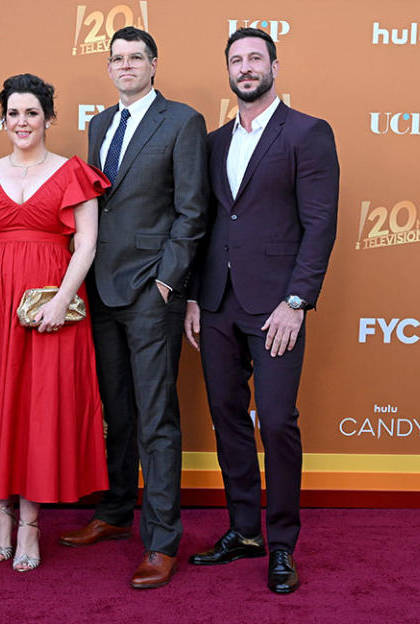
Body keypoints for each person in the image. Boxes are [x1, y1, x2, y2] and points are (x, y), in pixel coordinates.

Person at [184, 27, 339, 594]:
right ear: (227, 70)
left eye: (255, 58)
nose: (246, 68)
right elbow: (206, 228)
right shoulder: (214, 141)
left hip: (278, 306)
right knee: (228, 421)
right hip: (219, 305)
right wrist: (197, 296)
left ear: (275, 65)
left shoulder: (308, 133)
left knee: (275, 421)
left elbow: (321, 224)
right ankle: (243, 530)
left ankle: (281, 545)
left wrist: (296, 302)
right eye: (236, 60)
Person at [57, 27, 208, 590]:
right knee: (116, 411)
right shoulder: (99, 124)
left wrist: (169, 283)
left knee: (156, 417)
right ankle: (117, 510)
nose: (125, 66)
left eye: (135, 58)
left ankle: (162, 540)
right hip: (100, 287)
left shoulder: (183, 121)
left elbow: (192, 211)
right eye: (116, 58)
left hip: (151, 291)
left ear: (153, 64)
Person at [0, 73, 110, 572]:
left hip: (51, 303)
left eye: (32, 113)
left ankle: (29, 522)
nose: (22, 122)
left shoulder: (72, 173)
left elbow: (85, 243)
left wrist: (63, 300)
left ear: (48, 119)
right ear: (3, 119)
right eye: (14, 113)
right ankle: (0, 513)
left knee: (39, 408)